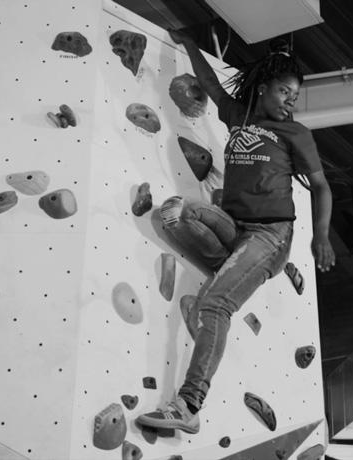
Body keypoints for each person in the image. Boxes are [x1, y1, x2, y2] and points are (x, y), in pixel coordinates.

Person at [135, 29, 335, 434]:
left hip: (270, 237)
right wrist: (187, 42)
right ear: (264, 88)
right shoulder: (238, 115)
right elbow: (208, 82)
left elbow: (322, 186)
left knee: (212, 305)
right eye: (283, 92)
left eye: (294, 97)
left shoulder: (296, 134)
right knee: (179, 213)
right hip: (235, 228)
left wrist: (322, 236)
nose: (289, 101)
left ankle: (188, 405)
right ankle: (229, 280)